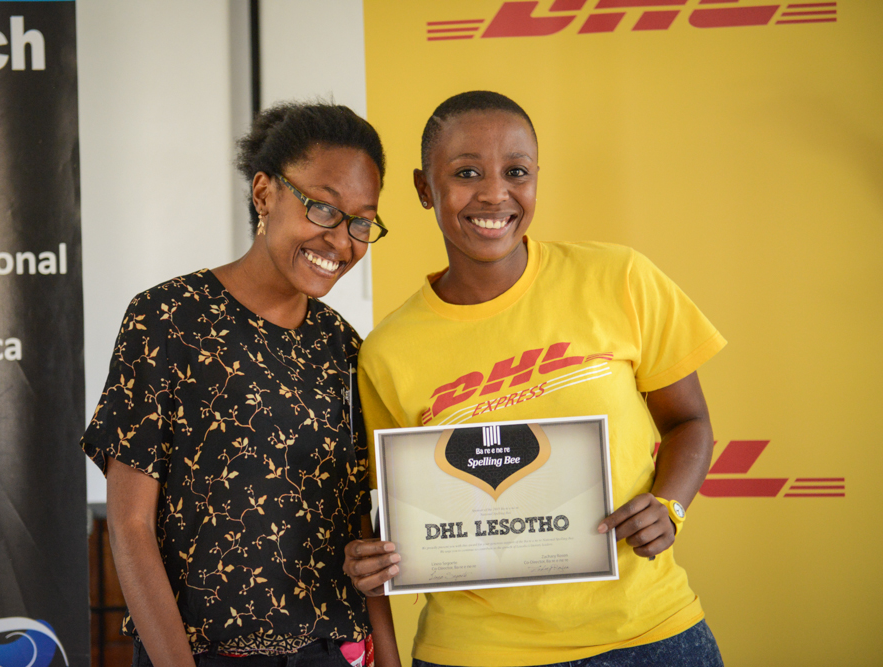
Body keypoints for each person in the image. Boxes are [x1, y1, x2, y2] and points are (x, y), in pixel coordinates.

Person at [343, 91, 726, 666]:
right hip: (475, 652)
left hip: (649, 634)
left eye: (516, 172)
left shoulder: (619, 277)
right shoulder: (387, 352)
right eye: (466, 173)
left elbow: (689, 421)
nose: (494, 193)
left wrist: (669, 505)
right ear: (424, 188)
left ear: (537, 178)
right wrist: (373, 558)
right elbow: (392, 513)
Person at [81, 102, 400, 667]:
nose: (341, 240)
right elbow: (130, 526)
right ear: (264, 193)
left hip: (331, 652)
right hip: (201, 654)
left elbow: (361, 531)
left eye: (360, 221)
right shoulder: (167, 319)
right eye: (323, 208)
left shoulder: (345, 348)